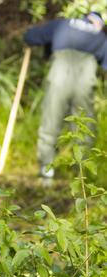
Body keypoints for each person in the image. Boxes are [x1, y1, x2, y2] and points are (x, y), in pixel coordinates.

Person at [24, 11, 107, 179]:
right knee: (83, 124)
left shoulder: (64, 24)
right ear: (97, 22)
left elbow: (32, 37)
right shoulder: (100, 36)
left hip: (58, 78)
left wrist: (29, 34)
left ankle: (46, 170)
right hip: (85, 81)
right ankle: (82, 173)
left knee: (51, 120)